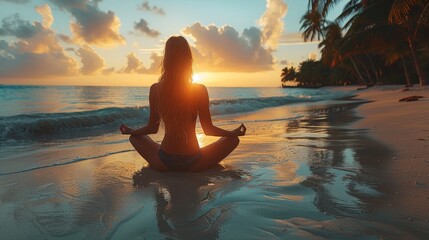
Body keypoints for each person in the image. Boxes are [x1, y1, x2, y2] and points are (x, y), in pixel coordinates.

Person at [119, 36, 246, 172]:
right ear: (188, 60)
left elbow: (152, 128)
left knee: (135, 138)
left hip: (164, 162)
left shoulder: (156, 89)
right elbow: (208, 129)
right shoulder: (199, 90)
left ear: (166, 59)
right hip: (194, 162)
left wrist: (132, 131)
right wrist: (232, 133)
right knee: (233, 140)